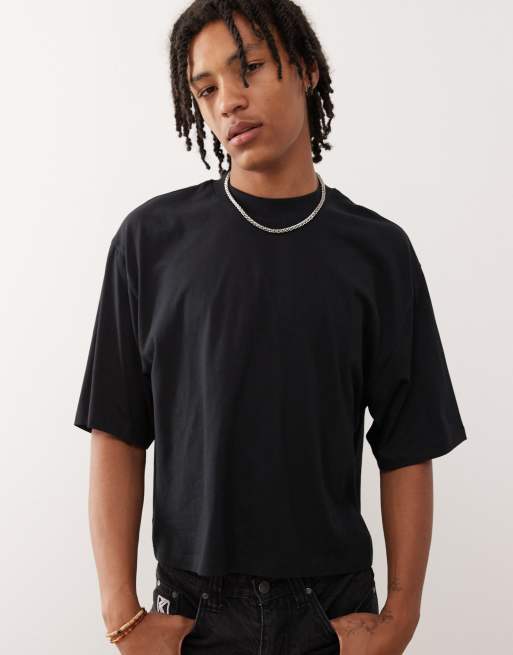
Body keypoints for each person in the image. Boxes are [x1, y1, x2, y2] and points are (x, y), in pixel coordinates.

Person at [73, 1, 468, 653]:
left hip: (332, 609)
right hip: (191, 610)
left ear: (307, 67)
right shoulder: (151, 242)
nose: (228, 100)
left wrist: (401, 615)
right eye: (206, 89)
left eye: (249, 68)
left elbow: (408, 441)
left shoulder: (378, 252)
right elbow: (117, 427)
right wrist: (122, 614)